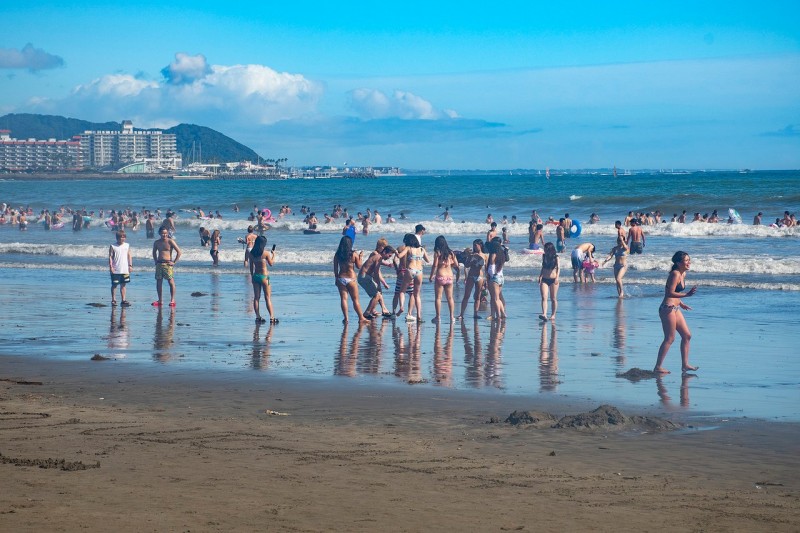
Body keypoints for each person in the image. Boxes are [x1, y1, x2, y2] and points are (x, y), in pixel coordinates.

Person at [654, 251, 699, 374]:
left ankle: (685, 365)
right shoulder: (675, 274)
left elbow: (675, 294)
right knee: (669, 338)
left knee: (687, 335)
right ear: (679, 263)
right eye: (686, 260)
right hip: (667, 309)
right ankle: (658, 366)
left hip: (675, 308)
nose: (689, 262)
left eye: (689, 260)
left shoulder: (682, 274)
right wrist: (687, 295)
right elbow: (669, 293)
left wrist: (681, 303)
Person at [333, 236, 369, 324]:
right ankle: (361, 318)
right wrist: (360, 257)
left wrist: (336, 278)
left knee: (344, 299)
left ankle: (346, 318)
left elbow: (335, 269)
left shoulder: (337, 254)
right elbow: (359, 266)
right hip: (351, 279)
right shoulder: (353, 254)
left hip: (341, 278)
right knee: (355, 300)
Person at [395, 233, 429, 322]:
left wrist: (395, 252)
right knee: (417, 295)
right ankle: (419, 316)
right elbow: (428, 260)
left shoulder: (408, 248)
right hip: (419, 272)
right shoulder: (422, 249)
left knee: (402, 291)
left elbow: (399, 256)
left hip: (410, 270)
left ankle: (402, 307)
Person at [358, 244, 395, 319]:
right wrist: (378, 284)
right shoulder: (379, 257)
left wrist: (388, 265)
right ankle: (367, 313)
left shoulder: (378, 257)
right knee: (377, 295)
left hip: (364, 277)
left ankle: (381, 310)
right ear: (384, 252)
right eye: (389, 255)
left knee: (378, 294)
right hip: (364, 277)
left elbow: (376, 263)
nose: (389, 258)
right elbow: (376, 272)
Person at [429, 235, 459, 323]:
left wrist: (431, 275)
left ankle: (438, 317)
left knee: (438, 298)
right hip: (450, 277)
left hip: (440, 276)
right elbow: (456, 264)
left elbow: (435, 265)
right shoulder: (451, 253)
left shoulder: (437, 253)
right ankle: (452, 317)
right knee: (450, 298)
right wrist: (449, 265)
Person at [249, 235, 277, 323]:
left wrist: (252, 276)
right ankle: (272, 317)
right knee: (268, 298)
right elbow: (271, 264)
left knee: (256, 298)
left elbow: (251, 267)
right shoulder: (265, 253)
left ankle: (258, 316)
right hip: (265, 277)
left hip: (255, 276)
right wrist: (274, 255)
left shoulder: (251, 253)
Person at [152, 226, 182, 307]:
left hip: (168, 264)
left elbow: (179, 252)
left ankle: (172, 299)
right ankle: (160, 300)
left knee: (171, 282)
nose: (164, 235)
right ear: (159, 233)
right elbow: (154, 252)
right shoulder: (157, 242)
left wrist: (174, 262)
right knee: (159, 282)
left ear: (168, 233)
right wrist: (155, 260)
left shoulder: (170, 241)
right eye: (162, 233)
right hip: (159, 264)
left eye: (165, 233)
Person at [457, 239, 487, 320]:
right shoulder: (471, 254)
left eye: (476, 245)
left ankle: (475, 314)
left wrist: (486, 279)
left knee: (478, 297)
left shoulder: (484, 255)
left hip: (480, 277)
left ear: (480, 245)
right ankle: (461, 314)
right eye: (473, 245)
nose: (474, 247)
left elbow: (486, 268)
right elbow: (466, 265)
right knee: (466, 295)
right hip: (471, 276)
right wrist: (470, 258)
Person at [109, 230, 133, 307]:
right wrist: (111, 267)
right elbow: (110, 257)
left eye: (123, 237)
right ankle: (113, 299)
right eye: (120, 237)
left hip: (125, 269)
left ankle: (123, 300)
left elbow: (129, 255)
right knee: (114, 285)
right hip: (116, 269)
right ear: (117, 238)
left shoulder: (127, 245)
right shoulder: (113, 246)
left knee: (123, 285)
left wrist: (130, 265)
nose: (122, 239)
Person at [537, 241, 560, 321]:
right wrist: (540, 276)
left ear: (550, 249)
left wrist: (557, 277)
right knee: (544, 297)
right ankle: (544, 314)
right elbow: (543, 267)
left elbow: (558, 268)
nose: (544, 251)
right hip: (544, 279)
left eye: (546, 249)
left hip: (553, 279)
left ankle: (553, 315)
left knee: (553, 298)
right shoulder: (544, 256)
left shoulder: (556, 257)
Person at [486, 238, 506, 321]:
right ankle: (503, 313)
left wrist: (490, 276)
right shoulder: (501, 254)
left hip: (495, 277)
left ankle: (498, 316)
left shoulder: (493, 254)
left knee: (495, 298)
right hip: (501, 276)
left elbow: (492, 267)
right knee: (498, 297)